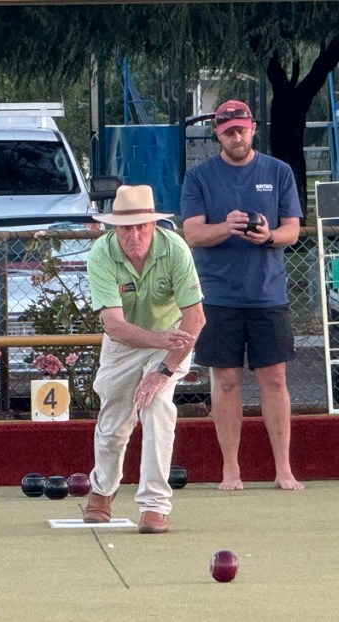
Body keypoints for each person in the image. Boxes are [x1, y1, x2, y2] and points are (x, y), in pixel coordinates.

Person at [180, 99, 305, 491]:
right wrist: (227, 226)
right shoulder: (199, 176)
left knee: (274, 378)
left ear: (253, 128)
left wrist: (267, 236)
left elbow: (292, 230)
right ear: (218, 134)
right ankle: (230, 469)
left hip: (268, 293)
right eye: (228, 132)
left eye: (242, 130)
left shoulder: (278, 171)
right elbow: (192, 233)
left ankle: (283, 469)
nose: (236, 137)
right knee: (226, 380)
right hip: (219, 294)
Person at [82, 184, 205, 534]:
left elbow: (195, 319)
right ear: (114, 229)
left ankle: (154, 505)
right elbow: (114, 326)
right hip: (125, 343)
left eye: (141, 227)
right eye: (125, 228)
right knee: (114, 421)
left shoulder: (176, 249)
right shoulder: (100, 254)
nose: (134, 235)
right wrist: (158, 339)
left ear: (153, 225)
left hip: (172, 339)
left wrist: (163, 370)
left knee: (157, 408)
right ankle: (103, 489)